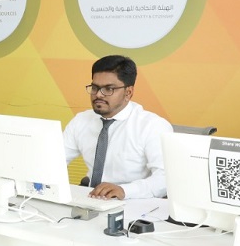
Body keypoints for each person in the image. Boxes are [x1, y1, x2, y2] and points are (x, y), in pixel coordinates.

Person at [63, 55, 172, 200]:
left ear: (128, 92)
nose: (98, 95)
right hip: (90, 198)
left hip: (134, 202)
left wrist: (124, 190)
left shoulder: (152, 126)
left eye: (108, 89)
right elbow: (55, 159)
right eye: (95, 88)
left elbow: (165, 178)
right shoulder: (81, 120)